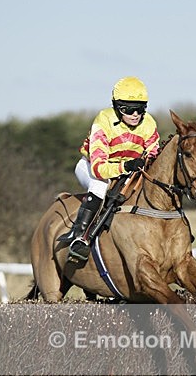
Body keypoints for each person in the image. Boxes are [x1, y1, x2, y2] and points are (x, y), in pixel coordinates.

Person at [58, 76, 160, 257]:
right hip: (92, 167)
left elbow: (154, 151)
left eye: (140, 108)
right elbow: (99, 169)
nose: (135, 114)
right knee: (100, 186)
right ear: (117, 107)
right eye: (129, 109)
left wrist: (146, 162)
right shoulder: (103, 121)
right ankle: (81, 236)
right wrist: (126, 166)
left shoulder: (149, 123)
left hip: (126, 171)